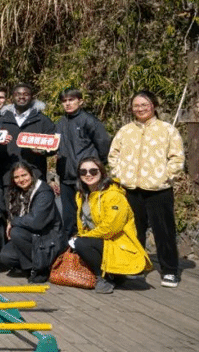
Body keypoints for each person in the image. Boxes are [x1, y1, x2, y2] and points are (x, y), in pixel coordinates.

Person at [108, 91, 185, 288]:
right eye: (136, 105)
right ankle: (136, 267)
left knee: (164, 231)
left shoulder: (167, 130)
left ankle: (169, 270)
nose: (140, 108)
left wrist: (165, 176)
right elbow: (113, 155)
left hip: (159, 189)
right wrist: (119, 175)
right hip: (131, 189)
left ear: (154, 105)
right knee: (134, 231)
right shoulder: (125, 131)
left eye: (144, 104)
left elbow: (177, 158)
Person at [72, 157, 152, 293]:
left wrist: (83, 237)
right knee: (71, 242)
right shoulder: (81, 195)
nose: (88, 174)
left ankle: (104, 277)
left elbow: (111, 228)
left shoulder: (114, 195)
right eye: (83, 172)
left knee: (80, 243)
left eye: (93, 171)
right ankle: (112, 275)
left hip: (117, 242)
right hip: (99, 240)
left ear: (102, 172)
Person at [55, 88, 111, 238]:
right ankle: (69, 246)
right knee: (69, 216)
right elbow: (53, 146)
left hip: (87, 177)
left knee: (88, 213)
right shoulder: (60, 123)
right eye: (64, 101)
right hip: (66, 177)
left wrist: (96, 167)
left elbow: (104, 144)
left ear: (80, 101)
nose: (67, 104)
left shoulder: (89, 120)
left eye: (71, 100)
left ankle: (90, 243)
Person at [0, 162, 63, 283]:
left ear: (31, 174)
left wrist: (13, 222)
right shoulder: (15, 192)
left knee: (16, 232)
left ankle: (41, 269)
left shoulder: (43, 192)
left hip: (48, 238)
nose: (21, 180)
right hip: (30, 236)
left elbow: (36, 222)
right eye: (16, 177)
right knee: (6, 256)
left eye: (24, 175)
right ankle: (32, 268)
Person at [0, 83, 56, 182]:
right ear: (12, 97)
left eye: (26, 94)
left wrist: (43, 150)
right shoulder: (1, 120)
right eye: (18, 94)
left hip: (35, 175)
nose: (21, 97)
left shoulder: (42, 120)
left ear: (32, 97)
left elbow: (54, 146)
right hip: (8, 176)